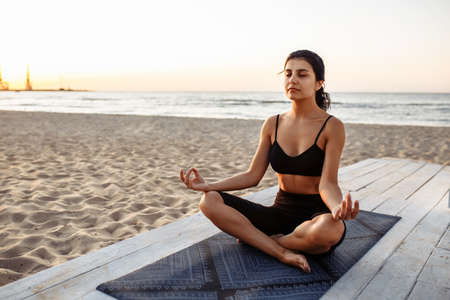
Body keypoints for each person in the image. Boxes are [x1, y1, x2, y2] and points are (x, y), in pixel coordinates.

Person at [180, 50, 359, 273]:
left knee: (329, 231)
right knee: (209, 202)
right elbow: (252, 176)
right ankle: (281, 251)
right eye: (288, 74)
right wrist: (208, 186)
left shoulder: (332, 126)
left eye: (302, 75)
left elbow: (328, 184)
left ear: (318, 83)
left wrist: (336, 209)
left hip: (315, 217)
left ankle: (266, 242)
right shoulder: (272, 124)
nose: (292, 80)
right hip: (279, 213)